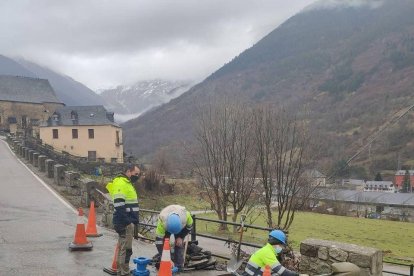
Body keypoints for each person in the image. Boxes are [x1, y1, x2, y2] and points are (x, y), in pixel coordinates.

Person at [106, 163, 141, 276]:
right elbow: (119, 205)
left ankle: (122, 271)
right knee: (126, 249)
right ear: (128, 172)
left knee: (122, 247)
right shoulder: (122, 183)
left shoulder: (127, 183)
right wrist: (128, 222)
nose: (137, 176)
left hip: (126, 222)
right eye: (136, 174)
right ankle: (124, 273)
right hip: (125, 223)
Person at [155, 204, 193, 271]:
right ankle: (166, 263)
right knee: (164, 244)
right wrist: (166, 258)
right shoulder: (162, 221)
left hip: (180, 228)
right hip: (167, 226)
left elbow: (189, 227)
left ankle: (179, 266)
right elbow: (158, 242)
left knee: (179, 244)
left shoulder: (186, 216)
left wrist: (181, 237)